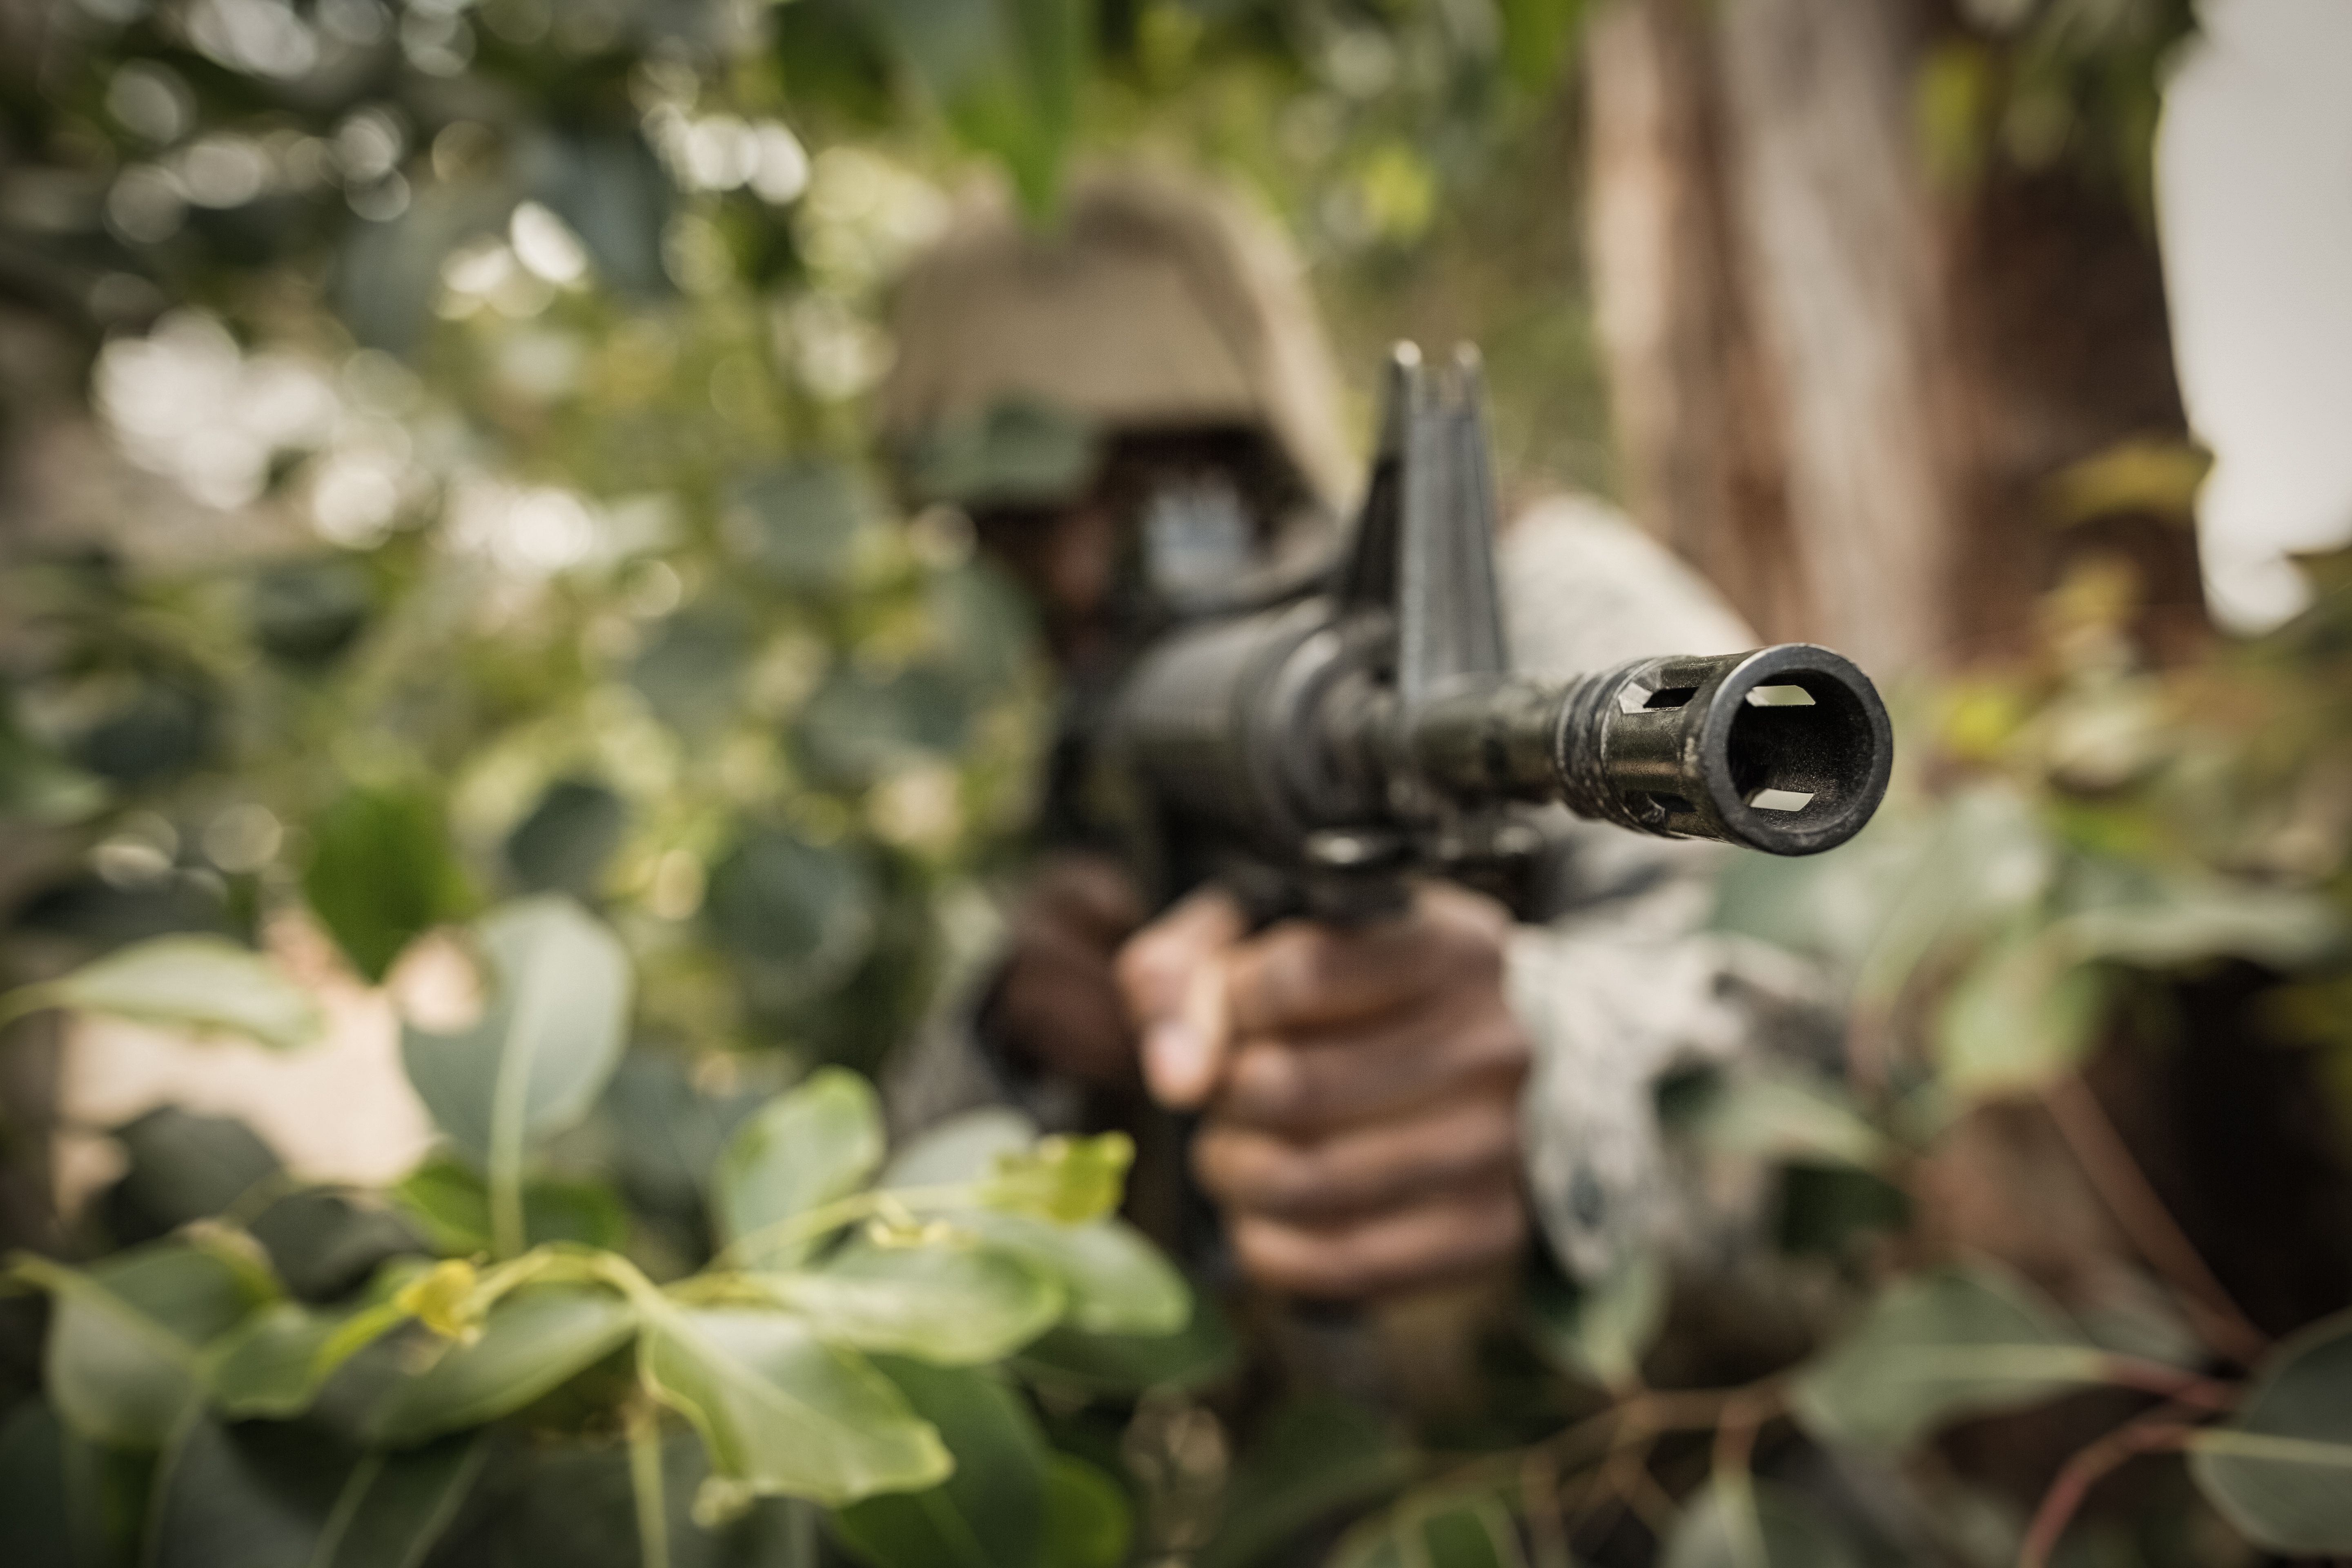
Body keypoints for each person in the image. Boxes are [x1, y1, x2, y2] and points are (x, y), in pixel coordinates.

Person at [879, 164, 1822, 1314]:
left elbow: (1840, 1042)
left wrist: (1537, 1075)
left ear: (1262, 452)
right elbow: (888, 1245)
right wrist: (1015, 1043)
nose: (1083, 567)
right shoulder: (1076, 752)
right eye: (1021, 516)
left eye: (1159, 485)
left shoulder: (1540, 608)